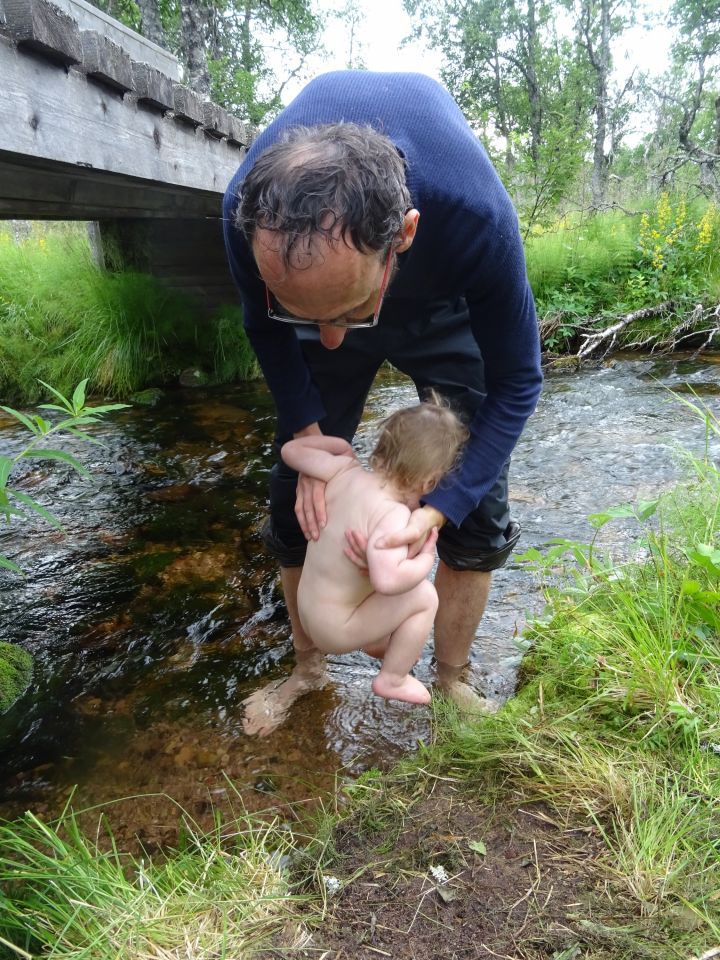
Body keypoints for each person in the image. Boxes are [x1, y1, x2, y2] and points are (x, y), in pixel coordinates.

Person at [222, 71, 543, 736]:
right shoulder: (244, 213)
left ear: (404, 233)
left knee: (476, 505)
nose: (332, 340)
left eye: (347, 314)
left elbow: (518, 383)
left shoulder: (474, 217)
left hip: (442, 307)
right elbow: (265, 327)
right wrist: (307, 431)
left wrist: (439, 510)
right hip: (323, 286)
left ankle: (451, 679)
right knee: (296, 499)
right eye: (308, 316)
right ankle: (307, 672)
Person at [281, 395, 469, 705]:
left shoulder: (342, 471)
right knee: (423, 597)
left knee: (364, 584)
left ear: (380, 451)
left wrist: (337, 446)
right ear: (430, 482)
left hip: (307, 613)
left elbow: (290, 450)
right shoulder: (393, 515)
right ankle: (393, 678)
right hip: (335, 630)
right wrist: (425, 558)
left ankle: (378, 642)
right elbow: (387, 581)